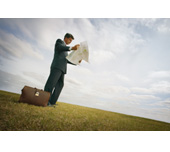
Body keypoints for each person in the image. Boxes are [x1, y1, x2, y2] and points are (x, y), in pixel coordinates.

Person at [44, 33, 80, 106]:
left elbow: (67, 60)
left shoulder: (66, 51)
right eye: (69, 40)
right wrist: (71, 48)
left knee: (60, 85)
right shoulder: (59, 42)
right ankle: (45, 100)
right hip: (57, 67)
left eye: (71, 41)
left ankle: (52, 102)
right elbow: (59, 48)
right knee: (51, 83)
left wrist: (77, 62)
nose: (70, 42)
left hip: (62, 70)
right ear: (66, 38)